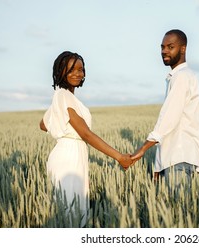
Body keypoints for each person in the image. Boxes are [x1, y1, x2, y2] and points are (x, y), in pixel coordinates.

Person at [39, 51, 133, 227]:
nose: (77, 73)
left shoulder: (64, 97)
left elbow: (43, 124)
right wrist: (119, 157)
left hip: (71, 154)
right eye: (71, 70)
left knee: (72, 211)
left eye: (81, 69)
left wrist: (59, 123)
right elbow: (86, 134)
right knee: (70, 213)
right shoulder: (63, 96)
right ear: (61, 72)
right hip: (68, 157)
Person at [132, 29, 199, 192]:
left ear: (183, 49)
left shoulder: (182, 77)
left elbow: (169, 119)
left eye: (170, 47)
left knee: (177, 214)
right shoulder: (180, 76)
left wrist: (142, 149)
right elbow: (173, 126)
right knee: (178, 213)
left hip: (179, 160)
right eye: (162, 47)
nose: (164, 51)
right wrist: (159, 164)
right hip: (175, 159)